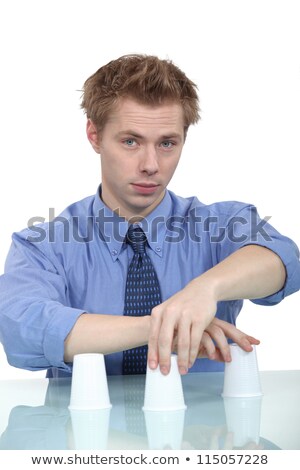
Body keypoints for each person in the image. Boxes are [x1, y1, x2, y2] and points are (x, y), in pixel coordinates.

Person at [0, 54, 299, 378]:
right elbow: (22, 327)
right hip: (83, 427)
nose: (151, 164)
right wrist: (161, 326)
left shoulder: (220, 225)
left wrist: (205, 289)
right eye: (131, 141)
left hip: (207, 430)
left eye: (167, 143)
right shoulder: (43, 246)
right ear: (95, 135)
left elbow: (284, 259)